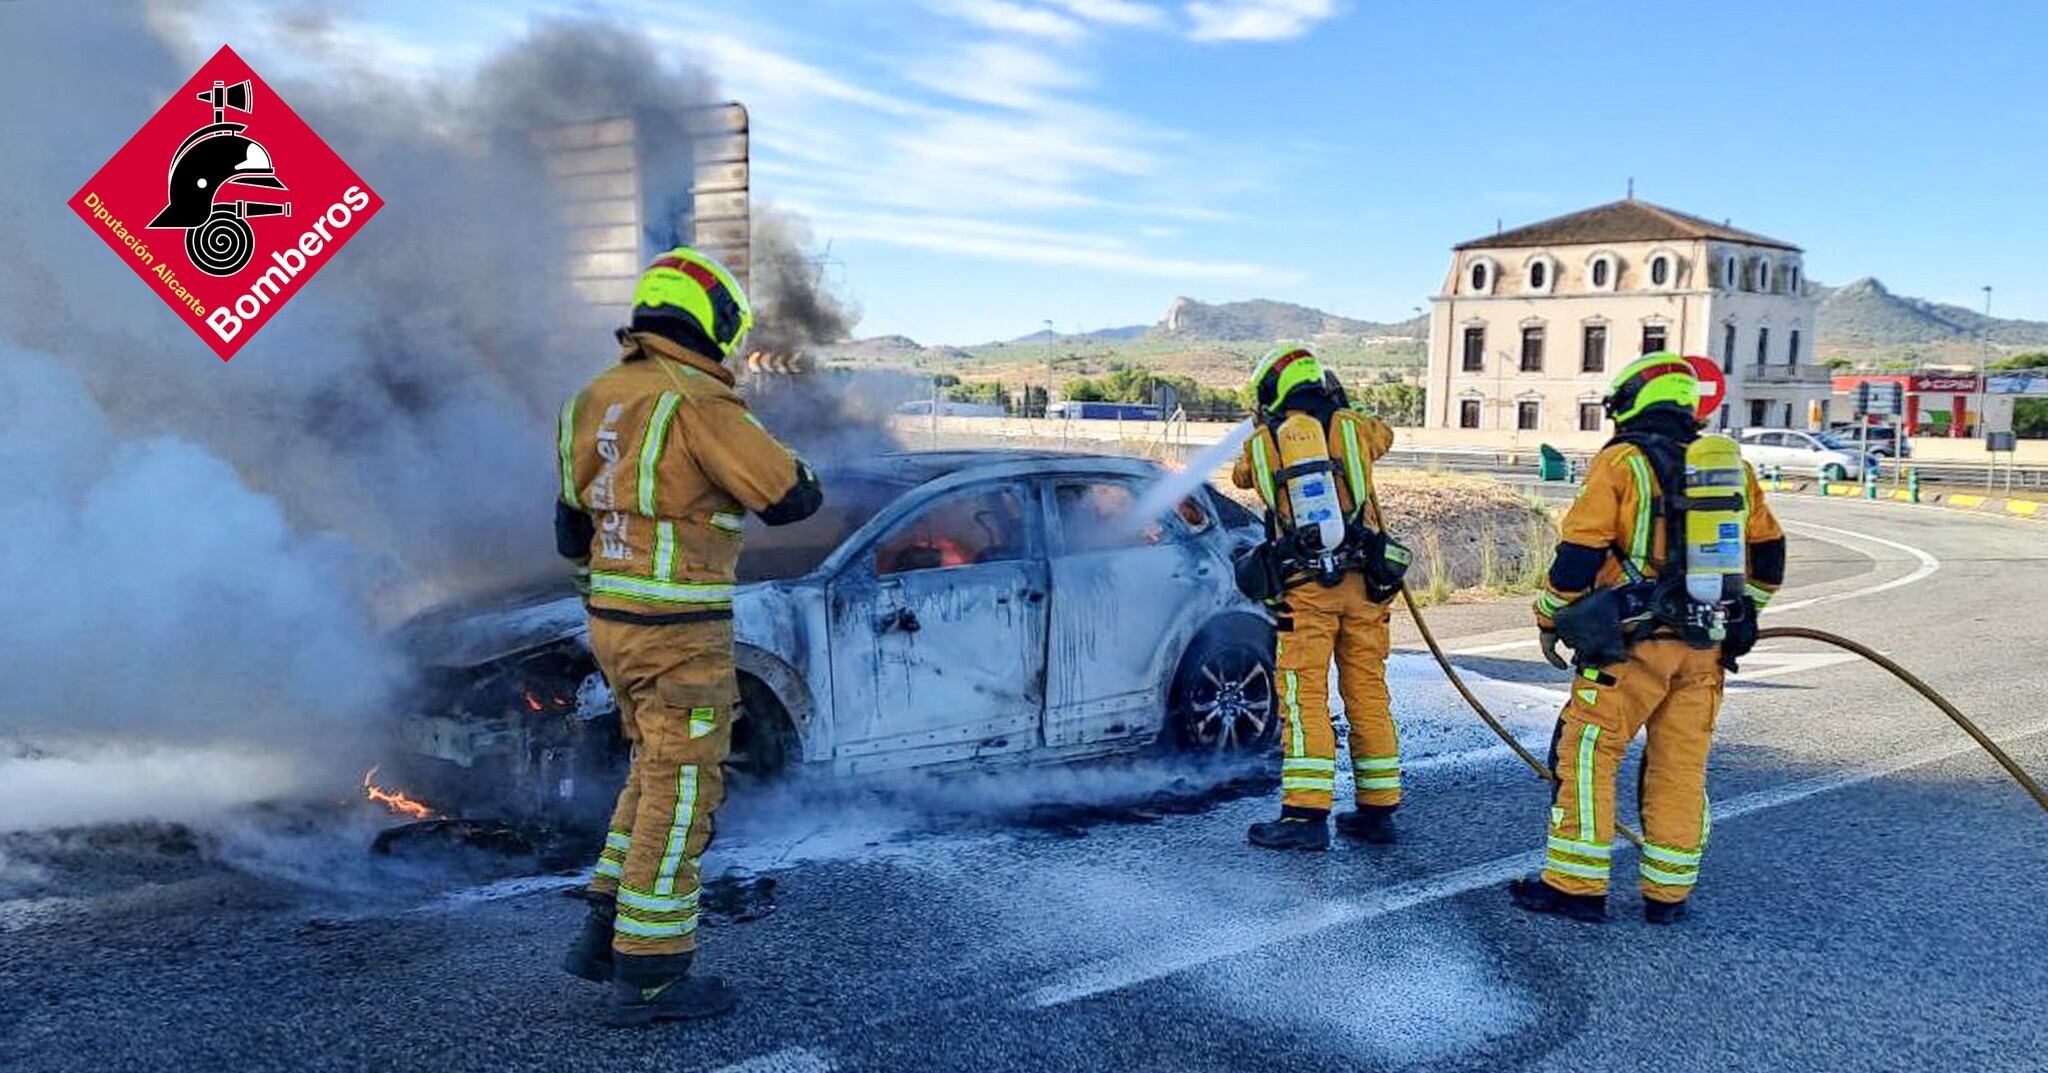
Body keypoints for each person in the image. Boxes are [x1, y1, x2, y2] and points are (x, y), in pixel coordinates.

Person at [554, 246, 823, 1023]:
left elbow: (570, 528)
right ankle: (652, 974)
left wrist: (604, 606)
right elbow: (793, 496)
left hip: (616, 627)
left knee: (650, 776)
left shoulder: (590, 400)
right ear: (711, 320)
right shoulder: (700, 403)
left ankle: (602, 934)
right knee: (683, 795)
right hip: (680, 632)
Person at [1510, 353, 1786, 925]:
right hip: (1705, 644)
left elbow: (1579, 555)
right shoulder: (1728, 468)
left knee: (1589, 753)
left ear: (1630, 402)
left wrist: (1548, 614)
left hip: (1632, 646)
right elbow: (1770, 553)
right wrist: (1745, 616)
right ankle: (1668, 895)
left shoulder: (1623, 463)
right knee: (1679, 765)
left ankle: (1576, 887)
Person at [1231, 343, 1400, 851]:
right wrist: (1343, 407)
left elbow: (1243, 477)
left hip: (1306, 591)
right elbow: (1385, 436)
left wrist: (1264, 427)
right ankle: (1378, 813)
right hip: (1366, 587)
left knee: (1305, 699)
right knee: (1367, 693)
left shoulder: (1264, 444)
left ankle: (1305, 817)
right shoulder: (1354, 428)